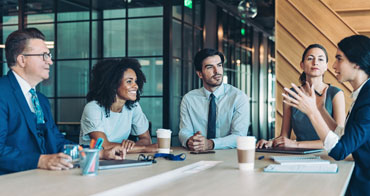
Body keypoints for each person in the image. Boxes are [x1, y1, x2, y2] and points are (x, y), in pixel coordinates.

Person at [0, 28, 125, 175]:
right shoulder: (2, 92)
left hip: (41, 180)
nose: (50, 61)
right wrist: (41, 160)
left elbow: (57, 143)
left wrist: (100, 153)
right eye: (44, 55)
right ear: (22, 59)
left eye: (49, 55)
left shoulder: (41, 100)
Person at [283, 35, 370, 196]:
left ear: (356, 63)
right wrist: (321, 109)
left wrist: (312, 112)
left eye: (339, 59)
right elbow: (343, 136)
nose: (334, 65)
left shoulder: (368, 98)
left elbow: (339, 150)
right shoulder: (363, 94)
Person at [257, 44, 345, 149]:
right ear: (302, 65)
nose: (315, 62)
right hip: (299, 154)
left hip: (329, 154)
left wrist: (296, 144)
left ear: (326, 66)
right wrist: (271, 142)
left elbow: (339, 138)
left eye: (320, 59)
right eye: (310, 58)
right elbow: (284, 136)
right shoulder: (291, 94)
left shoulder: (336, 94)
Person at [178, 48, 250, 151]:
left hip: (230, 158)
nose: (217, 71)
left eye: (219, 65)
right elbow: (184, 131)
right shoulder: (189, 99)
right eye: (210, 67)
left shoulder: (238, 97)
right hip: (197, 157)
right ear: (199, 74)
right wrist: (190, 140)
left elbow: (239, 136)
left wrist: (211, 144)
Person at [80, 58, 157, 153]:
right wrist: (144, 149)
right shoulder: (93, 108)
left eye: (135, 81)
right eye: (129, 81)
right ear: (113, 84)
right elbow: (104, 146)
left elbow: (146, 139)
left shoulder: (133, 106)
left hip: (120, 158)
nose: (136, 86)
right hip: (94, 161)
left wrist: (131, 146)